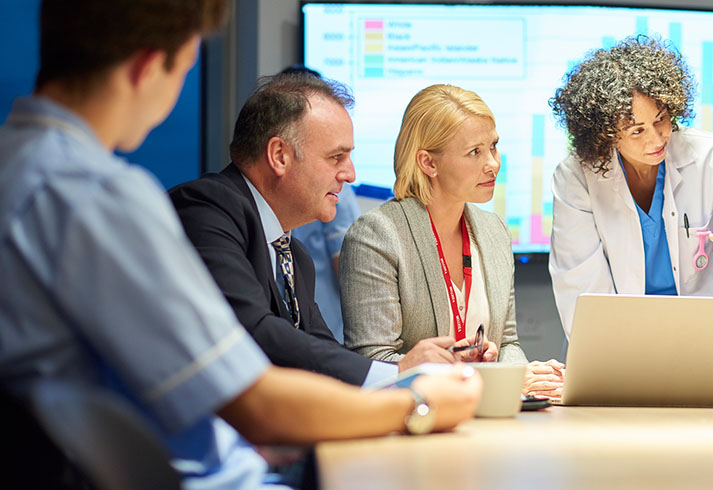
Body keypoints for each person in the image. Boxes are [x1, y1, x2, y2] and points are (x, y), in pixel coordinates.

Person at [0, 2, 480, 488]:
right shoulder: (99, 193)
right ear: (149, 67)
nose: (350, 174)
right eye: (185, 67)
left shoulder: (21, 164)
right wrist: (417, 403)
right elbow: (252, 398)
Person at [170, 73, 457, 387]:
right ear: (280, 156)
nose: (350, 174)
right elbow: (251, 331)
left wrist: (406, 371)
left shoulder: (294, 254)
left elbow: (321, 353)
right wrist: (398, 373)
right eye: (336, 157)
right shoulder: (206, 209)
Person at [342, 84, 565, 398]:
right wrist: (492, 378)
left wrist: (530, 378)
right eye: (475, 152)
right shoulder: (376, 235)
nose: (493, 163)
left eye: (494, 146)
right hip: (412, 425)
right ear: (428, 163)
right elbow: (372, 363)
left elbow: (507, 344)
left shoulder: (494, 231)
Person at [547, 36, 713, 336]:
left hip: (702, 332)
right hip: (615, 339)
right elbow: (582, 288)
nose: (657, 138)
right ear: (605, 135)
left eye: (661, 119)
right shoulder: (577, 176)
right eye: (637, 131)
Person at [281, 64, 363, 343]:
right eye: (336, 156)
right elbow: (350, 269)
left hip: (311, 333)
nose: (348, 174)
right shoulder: (334, 184)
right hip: (321, 332)